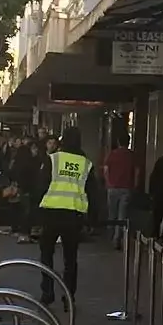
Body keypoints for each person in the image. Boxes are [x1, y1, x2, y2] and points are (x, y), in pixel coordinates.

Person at [37, 127, 101, 307]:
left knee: (46, 254)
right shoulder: (86, 164)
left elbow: (41, 186)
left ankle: (47, 292)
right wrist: (93, 219)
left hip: (51, 213)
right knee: (70, 259)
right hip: (74, 215)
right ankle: (69, 296)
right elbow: (93, 193)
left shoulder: (54, 159)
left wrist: (35, 213)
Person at [103, 131, 138, 250]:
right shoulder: (132, 155)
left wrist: (108, 183)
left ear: (118, 142)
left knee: (111, 213)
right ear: (128, 142)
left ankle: (110, 235)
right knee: (122, 216)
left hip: (112, 188)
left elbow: (106, 170)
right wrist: (135, 185)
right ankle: (117, 238)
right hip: (126, 188)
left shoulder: (112, 154)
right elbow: (137, 172)